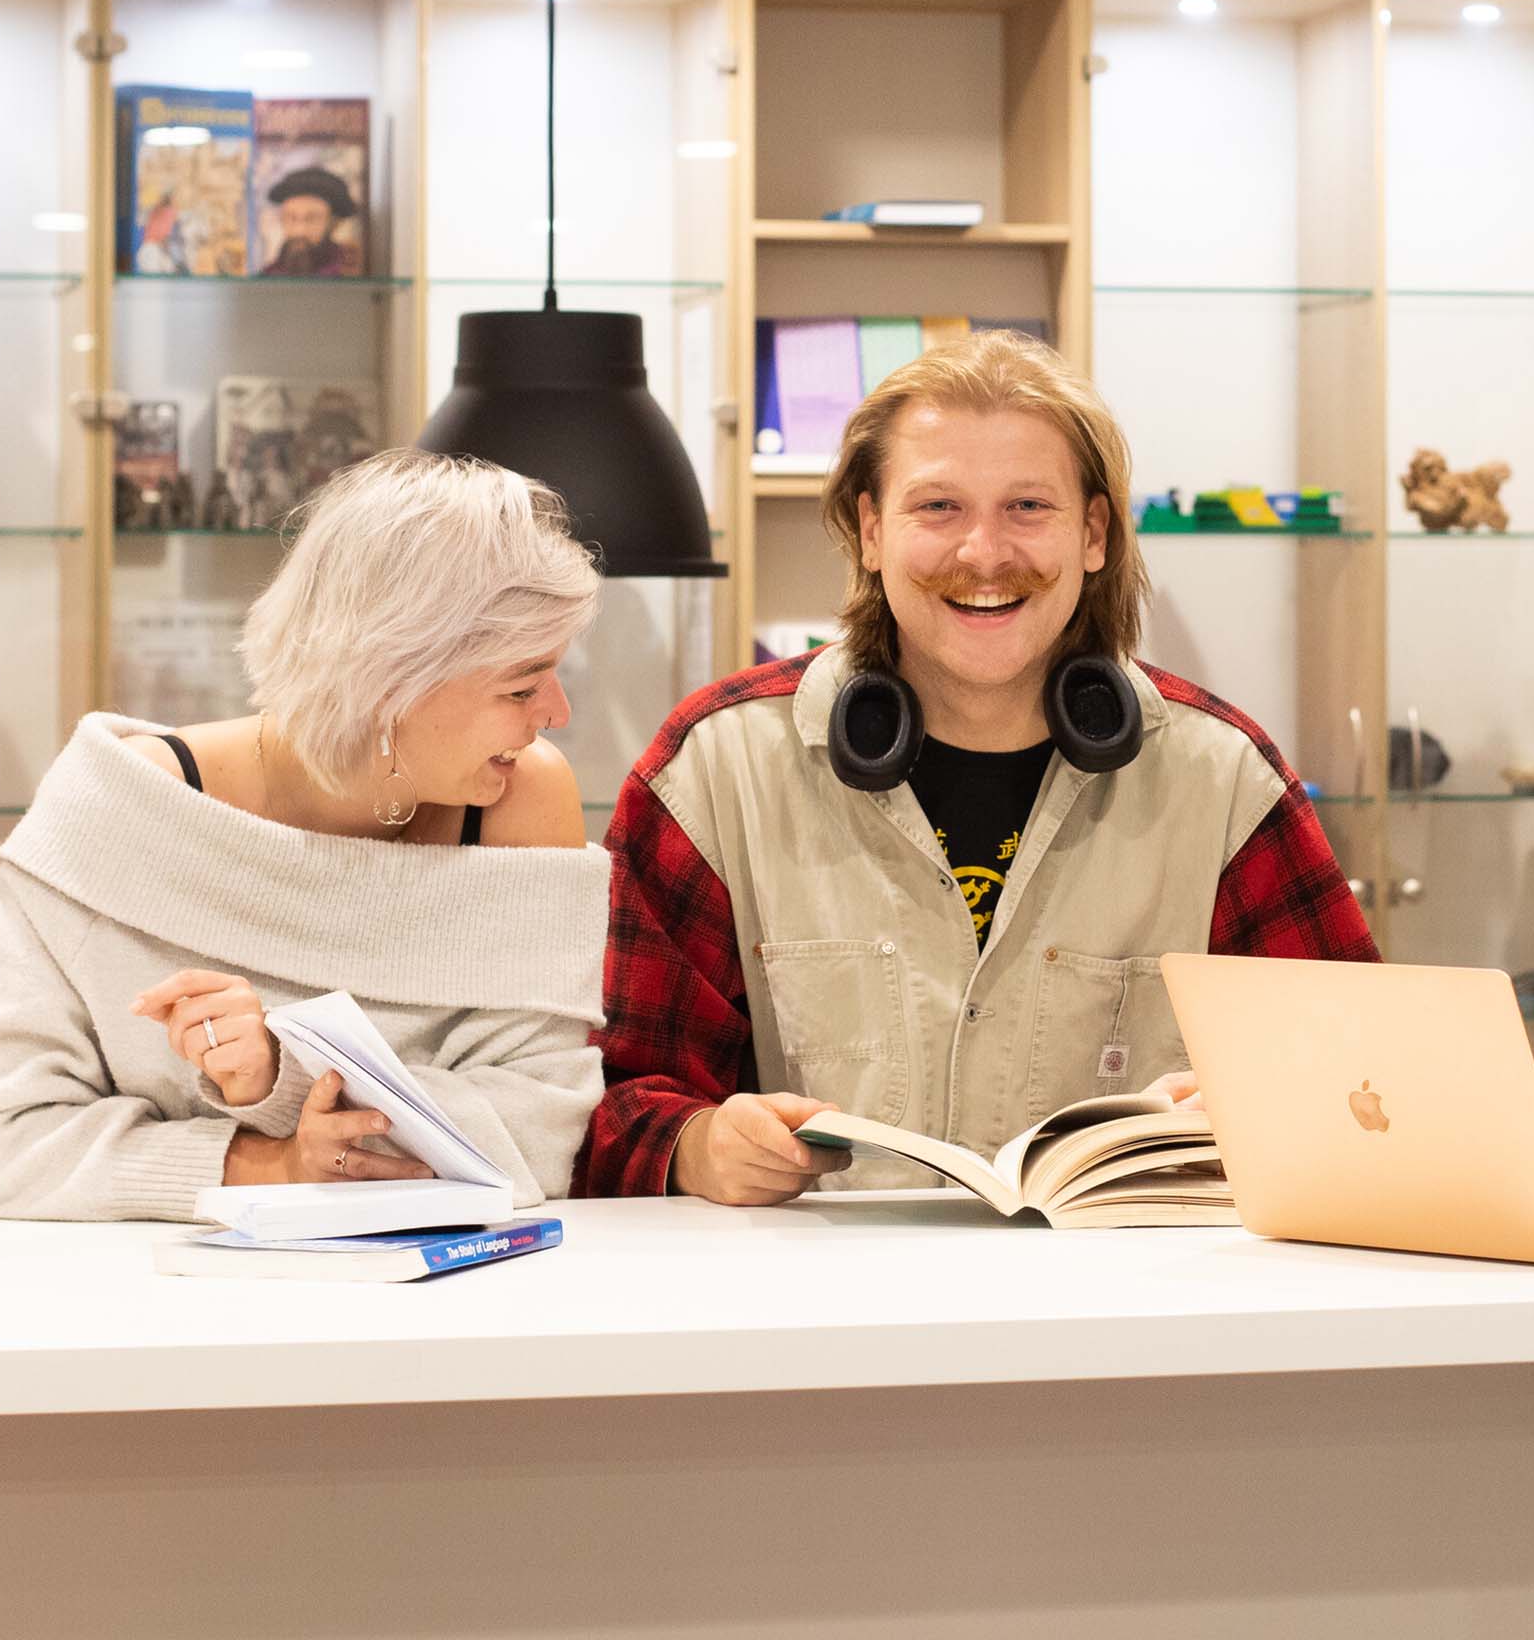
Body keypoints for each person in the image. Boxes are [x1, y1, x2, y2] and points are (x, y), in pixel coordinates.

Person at [579, 329, 1379, 1204]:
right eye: (939, 508)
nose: (985, 554)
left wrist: (1259, 1117)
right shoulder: (715, 769)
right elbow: (600, 1100)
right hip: (822, 1324)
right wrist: (694, 1144)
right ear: (871, 529)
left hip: (1136, 1324)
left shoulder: (1224, 781)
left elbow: (1372, 1092)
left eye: (1028, 507)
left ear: (1095, 533)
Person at [0, 450, 610, 1219]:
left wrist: (289, 1079)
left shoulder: (519, 799)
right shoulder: (121, 815)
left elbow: (546, 1131)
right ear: (391, 680)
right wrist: (265, 1165)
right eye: (520, 685)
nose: (555, 713)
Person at [257, 166, 361, 277]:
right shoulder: (270, 274)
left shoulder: (349, 271)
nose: (300, 230)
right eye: (291, 218)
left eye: (312, 219)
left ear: (334, 223)